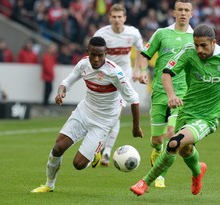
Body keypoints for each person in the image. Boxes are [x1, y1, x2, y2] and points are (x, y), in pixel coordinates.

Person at [130, 24, 220, 196]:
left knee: (174, 143)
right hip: (187, 111)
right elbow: (166, 73)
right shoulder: (188, 52)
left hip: (209, 116)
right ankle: (198, 170)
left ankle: (144, 182)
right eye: (196, 44)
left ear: (213, 42)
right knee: (185, 150)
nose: (199, 49)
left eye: (203, 45)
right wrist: (171, 95)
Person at [31, 36, 143, 193]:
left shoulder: (115, 72)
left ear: (106, 53)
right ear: (87, 52)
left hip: (103, 122)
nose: (96, 59)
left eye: (100, 55)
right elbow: (66, 82)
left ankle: (95, 154)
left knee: (78, 164)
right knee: (57, 148)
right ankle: (49, 185)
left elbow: (134, 99)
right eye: (93, 55)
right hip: (84, 112)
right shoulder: (83, 64)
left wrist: (136, 127)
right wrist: (61, 93)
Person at [137, 0, 194, 188]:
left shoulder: (196, 38)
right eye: (180, 10)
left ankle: (160, 176)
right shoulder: (162, 33)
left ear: (191, 14)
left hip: (182, 93)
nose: (183, 13)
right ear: (174, 12)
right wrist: (143, 71)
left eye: (187, 10)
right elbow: (144, 54)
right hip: (160, 92)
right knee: (156, 140)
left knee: (172, 134)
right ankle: (157, 151)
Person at [92, 3, 146, 167]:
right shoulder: (101, 35)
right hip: (105, 77)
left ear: (124, 18)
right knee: (102, 115)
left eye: (119, 17)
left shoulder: (133, 33)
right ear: (109, 18)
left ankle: (106, 152)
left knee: (116, 114)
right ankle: (99, 148)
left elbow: (141, 52)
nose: (116, 20)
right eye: (113, 17)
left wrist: (138, 71)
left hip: (123, 78)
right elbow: (93, 55)